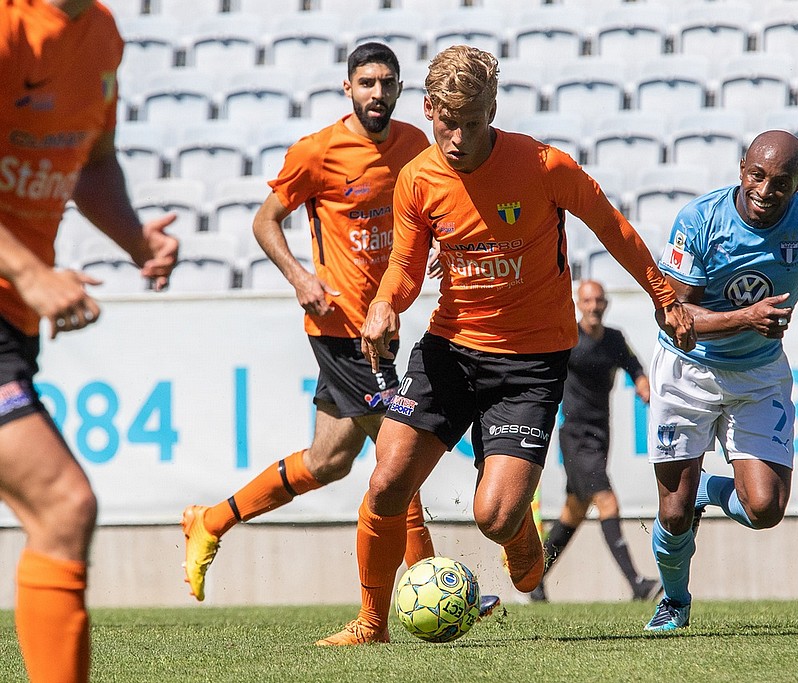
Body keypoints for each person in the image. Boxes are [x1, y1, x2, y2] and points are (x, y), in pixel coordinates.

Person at [316, 44, 695, 646]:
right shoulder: (417, 178)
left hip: (531, 364)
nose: (458, 138)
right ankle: (371, 625)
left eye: (472, 123)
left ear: (492, 111)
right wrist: (386, 304)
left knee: (494, 517)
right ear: (428, 109)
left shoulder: (543, 166)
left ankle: (516, 530)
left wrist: (663, 296)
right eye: (447, 122)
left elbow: (612, 226)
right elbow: (405, 270)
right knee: (387, 480)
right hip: (450, 348)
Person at [178, 42, 499, 616]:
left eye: (387, 83)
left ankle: (211, 520)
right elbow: (265, 220)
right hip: (341, 327)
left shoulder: (416, 144)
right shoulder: (318, 152)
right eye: (367, 82)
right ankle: (434, 590)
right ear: (347, 88)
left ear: (402, 91)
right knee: (398, 457)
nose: (378, 93)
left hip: (382, 327)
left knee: (329, 460)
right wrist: (300, 277)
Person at [643, 130, 798, 632]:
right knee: (672, 516)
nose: (765, 190)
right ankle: (675, 601)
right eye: (756, 175)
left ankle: (707, 490)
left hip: (757, 374)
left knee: (765, 509)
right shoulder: (700, 220)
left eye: (781, 182)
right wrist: (746, 317)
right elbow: (674, 317)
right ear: (741, 168)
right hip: (687, 370)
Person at [0, 1, 180, 680]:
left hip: (12, 321)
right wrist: (31, 274)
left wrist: (135, 239)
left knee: (57, 509)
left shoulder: (101, 34)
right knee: (63, 504)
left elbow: (93, 162)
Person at [530, 279, 661, 603]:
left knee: (574, 511)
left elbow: (635, 367)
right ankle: (637, 584)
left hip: (601, 434)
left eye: (598, 300)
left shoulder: (614, 339)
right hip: (575, 436)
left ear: (606, 304)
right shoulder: (568, 338)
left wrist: (643, 386)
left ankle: (533, 579)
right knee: (607, 501)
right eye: (588, 301)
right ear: (579, 303)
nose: (594, 307)